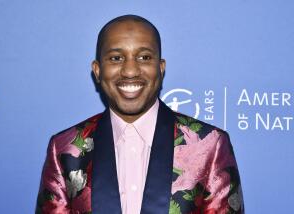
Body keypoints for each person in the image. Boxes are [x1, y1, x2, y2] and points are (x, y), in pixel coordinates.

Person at [36, 15, 244, 214]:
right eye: (116, 58)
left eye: (144, 57)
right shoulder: (66, 148)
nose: (130, 71)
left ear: (160, 68)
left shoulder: (209, 145)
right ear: (98, 70)